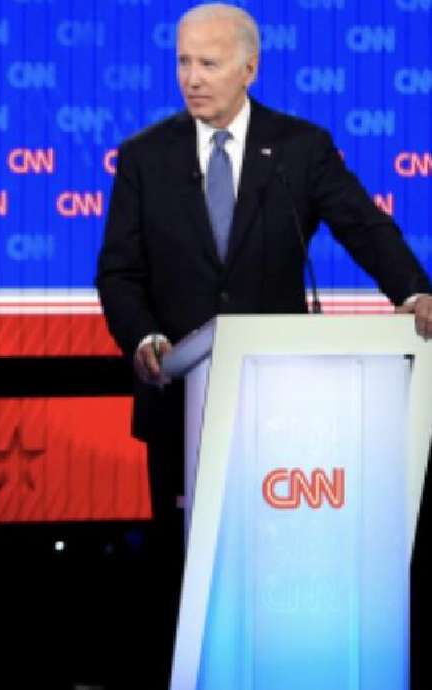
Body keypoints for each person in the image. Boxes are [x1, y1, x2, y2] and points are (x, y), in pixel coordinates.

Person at [95, 2, 432, 684]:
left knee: (279, 557)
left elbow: (363, 228)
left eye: (209, 63)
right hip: (180, 396)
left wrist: (414, 293)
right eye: (183, 62)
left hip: (286, 406)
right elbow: (118, 273)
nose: (192, 78)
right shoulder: (144, 157)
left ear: (250, 67)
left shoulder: (299, 148)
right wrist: (146, 338)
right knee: (185, 563)